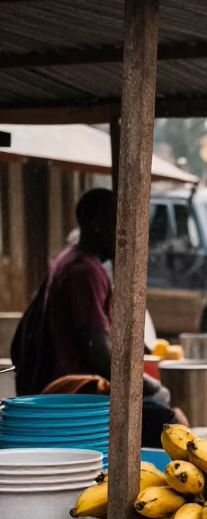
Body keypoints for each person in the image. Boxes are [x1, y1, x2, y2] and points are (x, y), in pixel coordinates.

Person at [16, 188, 185, 442]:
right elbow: (98, 353)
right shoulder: (85, 270)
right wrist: (148, 385)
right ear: (97, 226)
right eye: (117, 221)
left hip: (69, 387)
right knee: (169, 422)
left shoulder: (71, 259)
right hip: (77, 392)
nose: (124, 231)